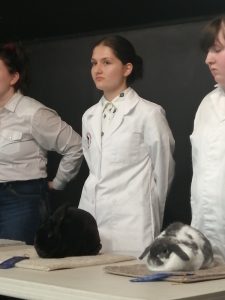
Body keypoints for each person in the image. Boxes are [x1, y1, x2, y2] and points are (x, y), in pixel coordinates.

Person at [78, 35, 175, 256]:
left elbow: (164, 169)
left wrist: (151, 211)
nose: (97, 69)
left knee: (129, 283)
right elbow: (94, 167)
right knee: (89, 281)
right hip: (92, 214)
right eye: (94, 63)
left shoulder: (148, 113)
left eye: (107, 62)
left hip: (133, 218)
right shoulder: (89, 116)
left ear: (127, 68)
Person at [0, 42, 83, 245]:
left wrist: (58, 182)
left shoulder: (33, 113)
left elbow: (75, 146)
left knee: (18, 263)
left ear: (14, 77)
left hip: (21, 199)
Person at [190, 15, 225, 263]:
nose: (208, 59)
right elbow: (199, 174)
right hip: (208, 240)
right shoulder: (207, 104)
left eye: (218, 49)